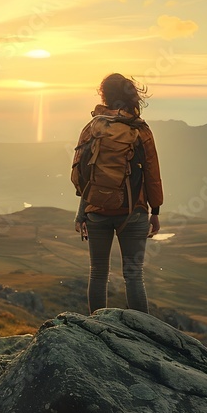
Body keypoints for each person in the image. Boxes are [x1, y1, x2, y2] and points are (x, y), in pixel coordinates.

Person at [73, 73, 163, 314]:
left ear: (104, 96)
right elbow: (152, 174)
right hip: (133, 213)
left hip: (96, 211)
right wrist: (155, 211)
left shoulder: (92, 128)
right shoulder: (140, 130)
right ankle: (142, 337)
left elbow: (83, 175)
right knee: (134, 276)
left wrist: (82, 212)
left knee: (98, 273)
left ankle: (94, 330)